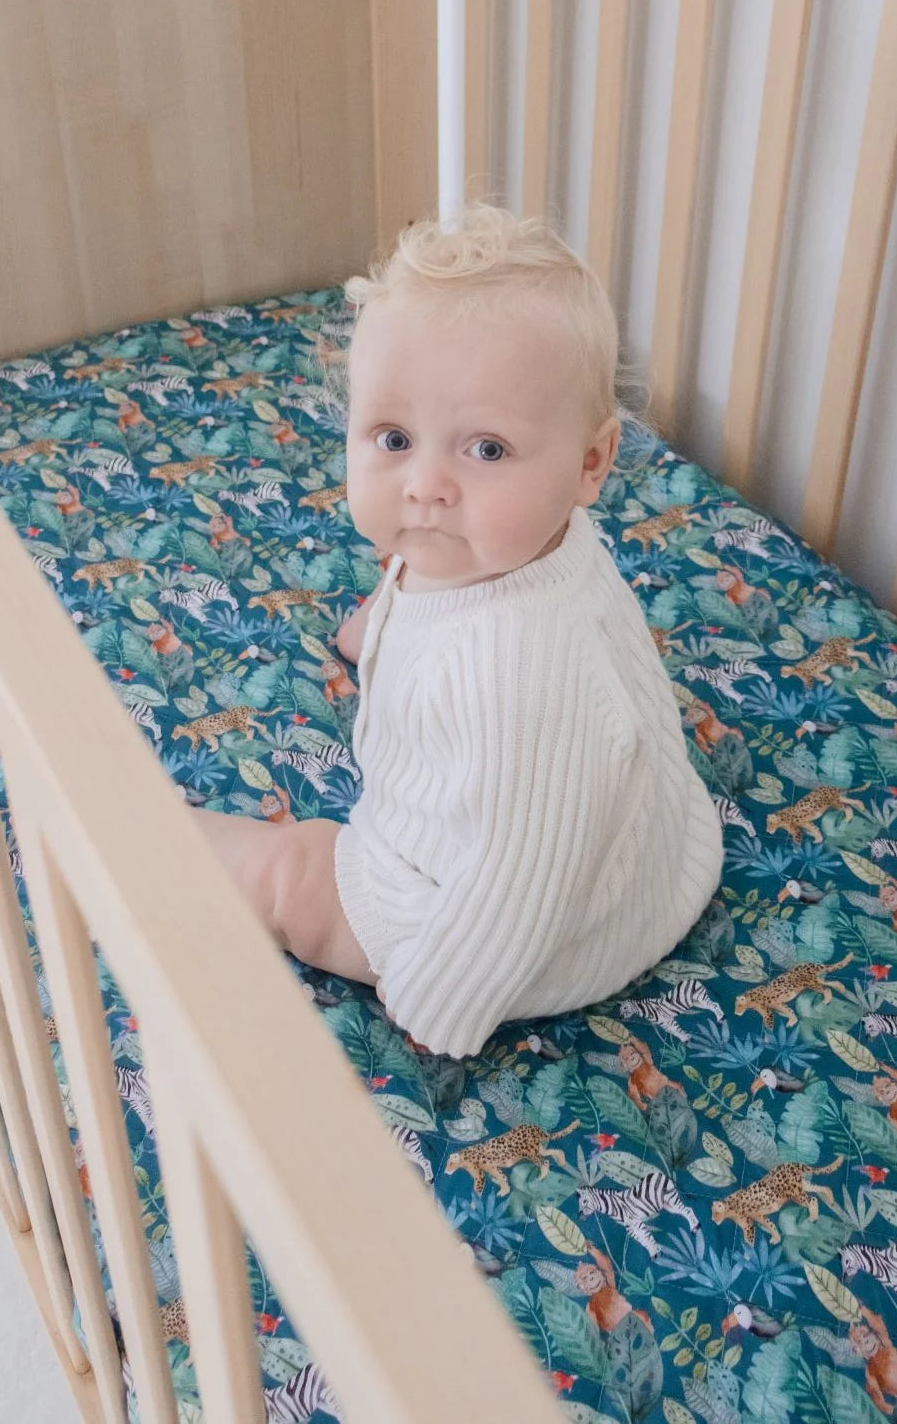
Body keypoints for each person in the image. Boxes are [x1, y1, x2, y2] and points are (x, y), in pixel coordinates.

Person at [194, 202, 723, 1057]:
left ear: (591, 462)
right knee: (434, 547)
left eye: (486, 449)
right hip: (646, 852)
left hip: (535, 936)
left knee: (295, 877)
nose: (426, 483)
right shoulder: (521, 540)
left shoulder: (520, 675)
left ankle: (154, 843)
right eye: (393, 437)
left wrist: (435, 996)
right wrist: (394, 617)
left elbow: (521, 887)